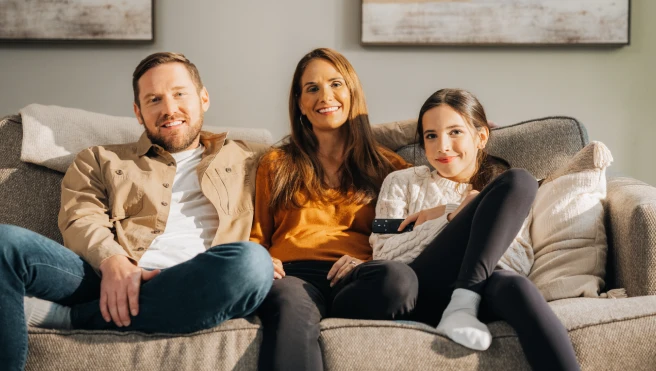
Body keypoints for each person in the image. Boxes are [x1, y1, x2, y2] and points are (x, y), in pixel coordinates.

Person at [0, 52, 274, 371]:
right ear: (138, 112)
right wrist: (113, 260)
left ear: (204, 98)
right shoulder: (99, 159)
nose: (169, 109)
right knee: (5, 243)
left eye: (179, 94)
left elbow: (300, 208)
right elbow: (80, 218)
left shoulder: (252, 158)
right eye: (154, 99)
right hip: (106, 276)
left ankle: (73, 317)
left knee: (253, 264)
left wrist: (276, 252)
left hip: (199, 279)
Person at [370, 88, 580, 370]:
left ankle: (463, 301)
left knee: (521, 183)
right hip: (424, 288)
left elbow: (517, 261)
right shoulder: (401, 182)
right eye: (431, 136)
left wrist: (470, 209)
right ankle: (461, 305)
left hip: (482, 288)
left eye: (455, 132)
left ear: (481, 137)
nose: (442, 146)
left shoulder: (505, 190)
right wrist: (451, 215)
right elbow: (385, 255)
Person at [250, 48, 418, 371]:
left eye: (335, 84)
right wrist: (261, 260)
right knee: (288, 304)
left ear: (352, 92)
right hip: (293, 275)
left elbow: (407, 228)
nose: (325, 95)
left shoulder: (388, 168)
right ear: (300, 103)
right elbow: (257, 234)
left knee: (401, 281)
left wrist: (368, 260)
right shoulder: (276, 164)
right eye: (312, 88)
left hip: (354, 274)